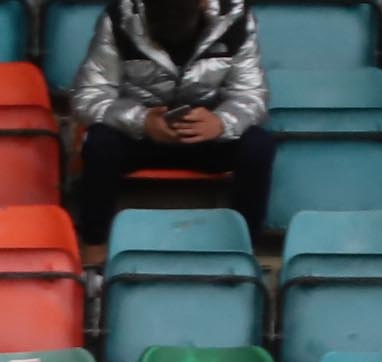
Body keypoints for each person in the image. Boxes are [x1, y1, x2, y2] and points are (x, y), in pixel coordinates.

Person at [69, 0, 273, 247]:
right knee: (100, 141)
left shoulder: (235, 19)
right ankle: (95, 246)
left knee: (258, 144)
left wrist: (221, 122)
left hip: (205, 136)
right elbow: (88, 96)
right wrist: (142, 121)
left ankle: (243, 247)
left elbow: (251, 96)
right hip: (142, 136)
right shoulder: (121, 17)